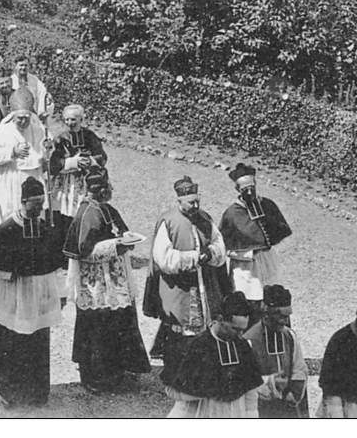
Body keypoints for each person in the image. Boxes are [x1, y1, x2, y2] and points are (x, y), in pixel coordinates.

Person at [0, 178, 68, 408]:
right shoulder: (7, 228)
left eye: (42, 204)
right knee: (12, 341)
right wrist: (12, 270)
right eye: (35, 205)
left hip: (39, 295)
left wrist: (59, 293)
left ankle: (37, 393)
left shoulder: (45, 228)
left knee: (38, 341)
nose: (40, 209)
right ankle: (11, 392)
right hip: (14, 294)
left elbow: (56, 265)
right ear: (23, 201)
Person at [63, 167, 151, 393]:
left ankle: (119, 370)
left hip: (114, 277)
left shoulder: (105, 209)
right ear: (100, 191)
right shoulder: (88, 214)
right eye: (109, 187)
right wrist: (117, 245)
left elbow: (119, 230)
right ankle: (96, 378)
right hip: (97, 283)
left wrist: (125, 240)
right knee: (98, 328)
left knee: (118, 321)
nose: (111, 190)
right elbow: (84, 250)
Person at [142, 176, 230, 371]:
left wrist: (212, 253)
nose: (196, 205)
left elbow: (219, 244)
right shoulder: (169, 222)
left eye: (198, 200)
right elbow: (163, 258)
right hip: (180, 286)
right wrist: (193, 258)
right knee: (180, 329)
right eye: (191, 202)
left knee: (207, 327)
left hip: (205, 285)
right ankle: (177, 371)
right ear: (179, 201)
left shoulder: (205, 218)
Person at [161, 291, 264, 418]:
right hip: (202, 411)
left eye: (243, 330)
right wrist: (206, 390)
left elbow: (251, 390)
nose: (240, 335)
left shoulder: (242, 346)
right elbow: (172, 390)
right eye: (235, 329)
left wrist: (252, 416)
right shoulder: (197, 346)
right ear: (220, 319)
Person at [219, 163, 293, 323]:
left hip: (266, 261)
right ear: (238, 190)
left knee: (273, 299)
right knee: (249, 303)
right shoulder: (232, 214)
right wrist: (245, 252)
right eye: (245, 189)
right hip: (245, 267)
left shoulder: (267, 205)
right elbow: (224, 244)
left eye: (251, 187)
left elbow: (280, 230)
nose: (249, 192)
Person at [0, 88, 50, 224]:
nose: (23, 122)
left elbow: (46, 151)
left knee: (35, 216)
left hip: (33, 178)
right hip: (11, 178)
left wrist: (48, 148)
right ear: (13, 116)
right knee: (12, 216)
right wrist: (12, 153)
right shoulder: (4, 131)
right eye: (20, 118)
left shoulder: (38, 129)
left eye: (26, 118)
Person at [244, 285, 309, 418]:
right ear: (267, 313)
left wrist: (294, 391)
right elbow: (246, 380)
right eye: (280, 316)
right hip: (261, 408)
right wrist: (272, 383)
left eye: (287, 317)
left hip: (288, 404)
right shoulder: (249, 341)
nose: (285, 321)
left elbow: (299, 367)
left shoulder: (289, 336)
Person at [48, 104, 107, 220]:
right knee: (65, 212)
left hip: (87, 180)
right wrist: (72, 162)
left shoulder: (90, 136)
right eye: (67, 119)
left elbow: (101, 156)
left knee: (85, 212)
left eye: (73, 119)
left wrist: (90, 161)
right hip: (66, 182)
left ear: (81, 119)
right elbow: (53, 163)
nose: (70, 123)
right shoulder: (60, 139)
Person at [11, 56, 54, 122]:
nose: (23, 68)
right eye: (21, 65)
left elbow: (42, 92)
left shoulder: (34, 80)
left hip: (33, 115)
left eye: (25, 65)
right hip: (16, 115)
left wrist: (47, 96)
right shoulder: (11, 81)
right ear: (16, 66)